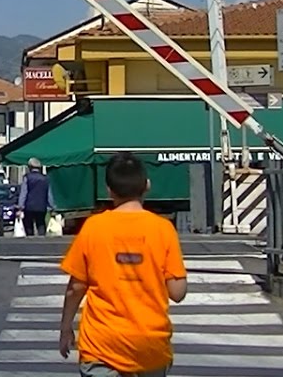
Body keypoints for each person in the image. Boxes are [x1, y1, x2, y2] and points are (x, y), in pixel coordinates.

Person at [58, 152, 188, 377]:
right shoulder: (163, 229)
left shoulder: (94, 227)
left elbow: (76, 287)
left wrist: (66, 326)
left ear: (109, 189)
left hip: (102, 344)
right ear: (147, 185)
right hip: (150, 345)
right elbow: (177, 292)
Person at [18, 157, 55, 236]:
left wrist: (20, 206)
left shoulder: (27, 177)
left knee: (28, 225)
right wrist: (52, 207)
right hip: (42, 206)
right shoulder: (45, 179)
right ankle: (42, 238)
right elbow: (49, 194)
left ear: (30, 167)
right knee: (41, 223)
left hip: (29, 207)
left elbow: (24, 193)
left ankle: (30, 239)